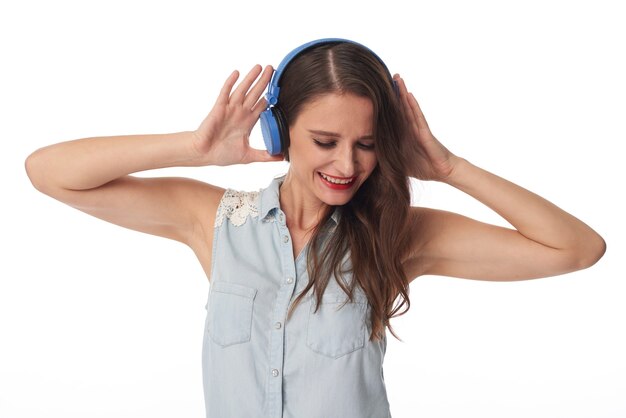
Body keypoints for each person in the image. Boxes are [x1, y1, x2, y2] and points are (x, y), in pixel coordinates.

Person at [25, 38, 606, 418]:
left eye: (368, 145)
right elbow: (49, 173)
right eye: (325, 142)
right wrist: (195, 148)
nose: (347, 165)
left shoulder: (398, 235)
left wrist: (450, 169)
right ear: (280, 135)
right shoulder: (219, 221)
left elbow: (577, 248)